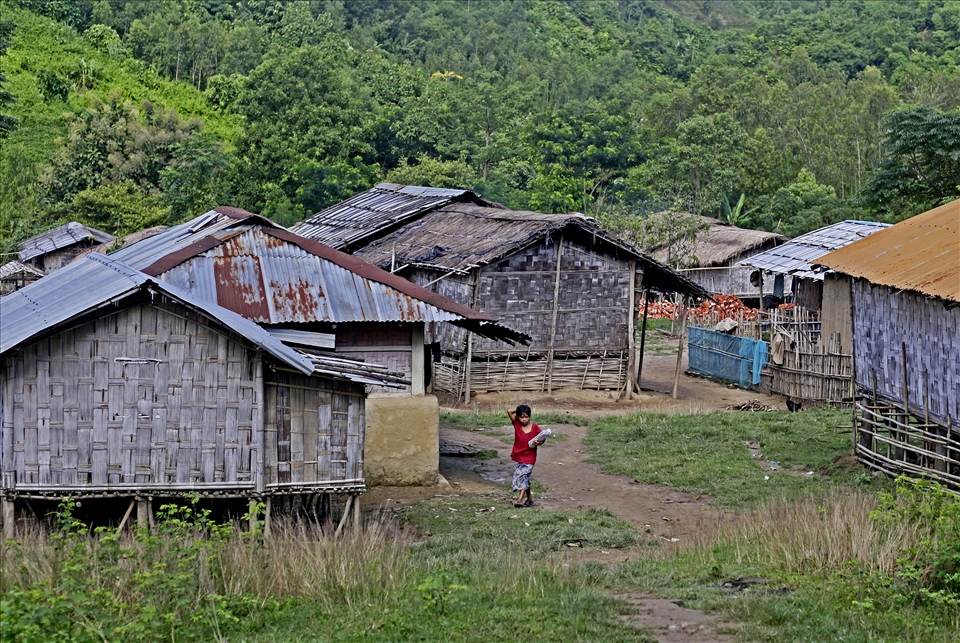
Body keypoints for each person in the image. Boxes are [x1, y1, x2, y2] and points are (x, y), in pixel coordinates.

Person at [507, 404, 542, 508]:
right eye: (522, 417)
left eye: (526, 417)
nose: (524, 419)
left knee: (524, 476)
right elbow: (509, 411)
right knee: (522, 476)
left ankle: (520, 500)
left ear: (530, 416)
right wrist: (519, 409)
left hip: (530, 457)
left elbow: (542, 438)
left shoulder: (535, 427)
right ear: (518, 417)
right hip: (519, 455)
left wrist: (538, 443)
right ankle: (530, 499)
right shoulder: (517, 424)